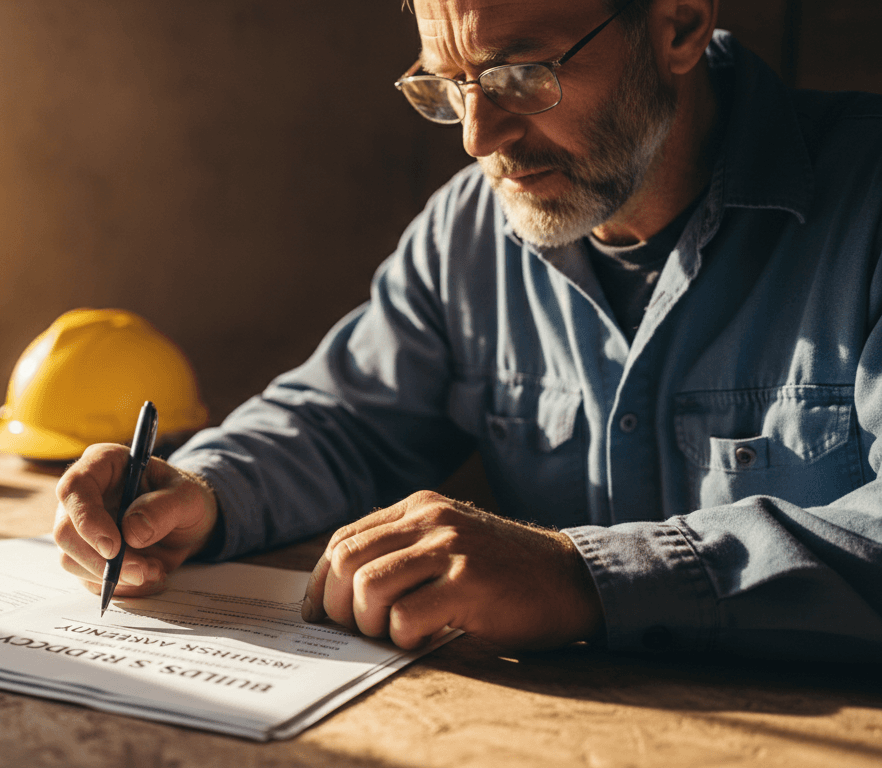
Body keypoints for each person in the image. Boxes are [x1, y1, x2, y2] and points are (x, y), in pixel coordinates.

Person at [53, 0, 882, 661]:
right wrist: (203, 492)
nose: (481, 139)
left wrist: (582, 581)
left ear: (678, 25)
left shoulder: (868, 204)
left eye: (521, 74)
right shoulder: (470, 231)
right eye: (447, 86)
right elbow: (343, 421)